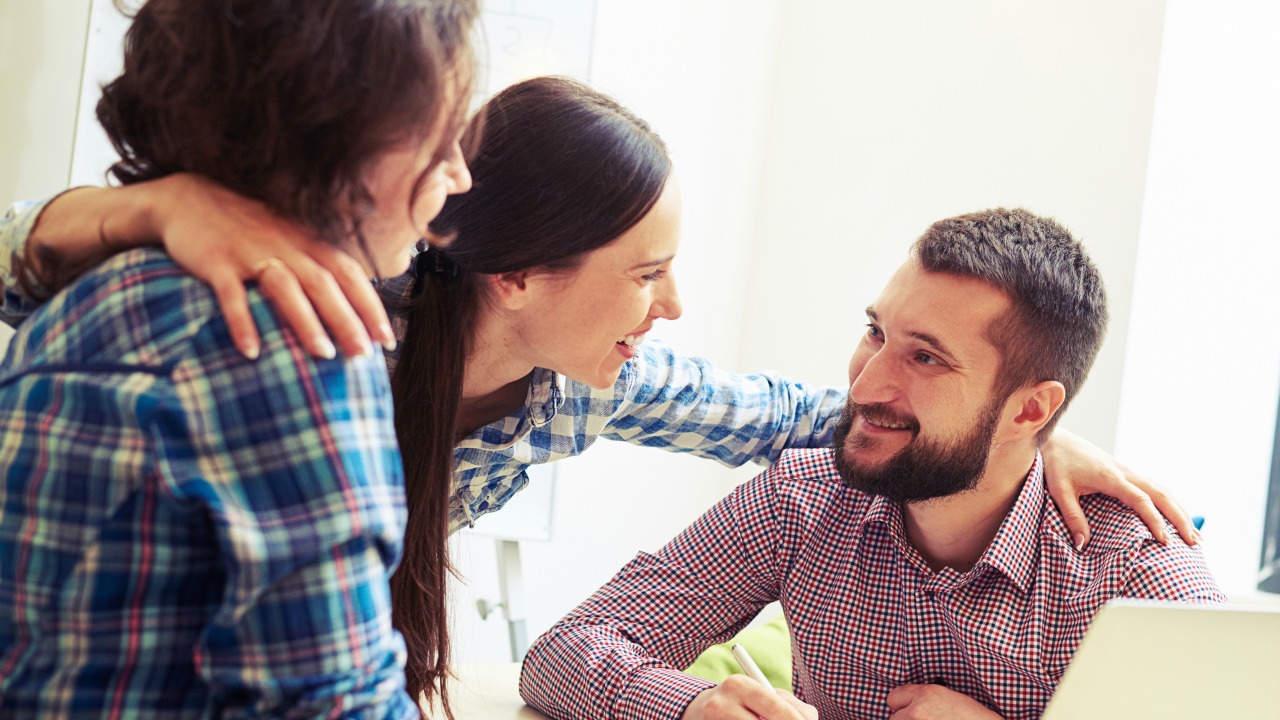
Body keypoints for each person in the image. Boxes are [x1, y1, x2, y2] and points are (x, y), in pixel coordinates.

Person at [1, 72, 1196, 713]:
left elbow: (809, 419)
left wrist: (1024, 443)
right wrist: (140, 208)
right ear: (518, 275)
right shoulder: (311, 343)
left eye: (925, 356)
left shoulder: (574, 385)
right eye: (646, 272)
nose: (670, 307)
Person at [518, 208, 1227, 720]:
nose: (863, 386)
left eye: (924, 357)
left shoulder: (1134, 569)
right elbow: (562, 653)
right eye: (874, 333)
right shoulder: (804, 497)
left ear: (1029, 412)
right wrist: (694, 705)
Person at [0, 0, 476, 716]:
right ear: (334, 124)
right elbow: (338, 708)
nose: (460, 174)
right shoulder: (292, 341)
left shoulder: (86, 289)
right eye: (441, 138)